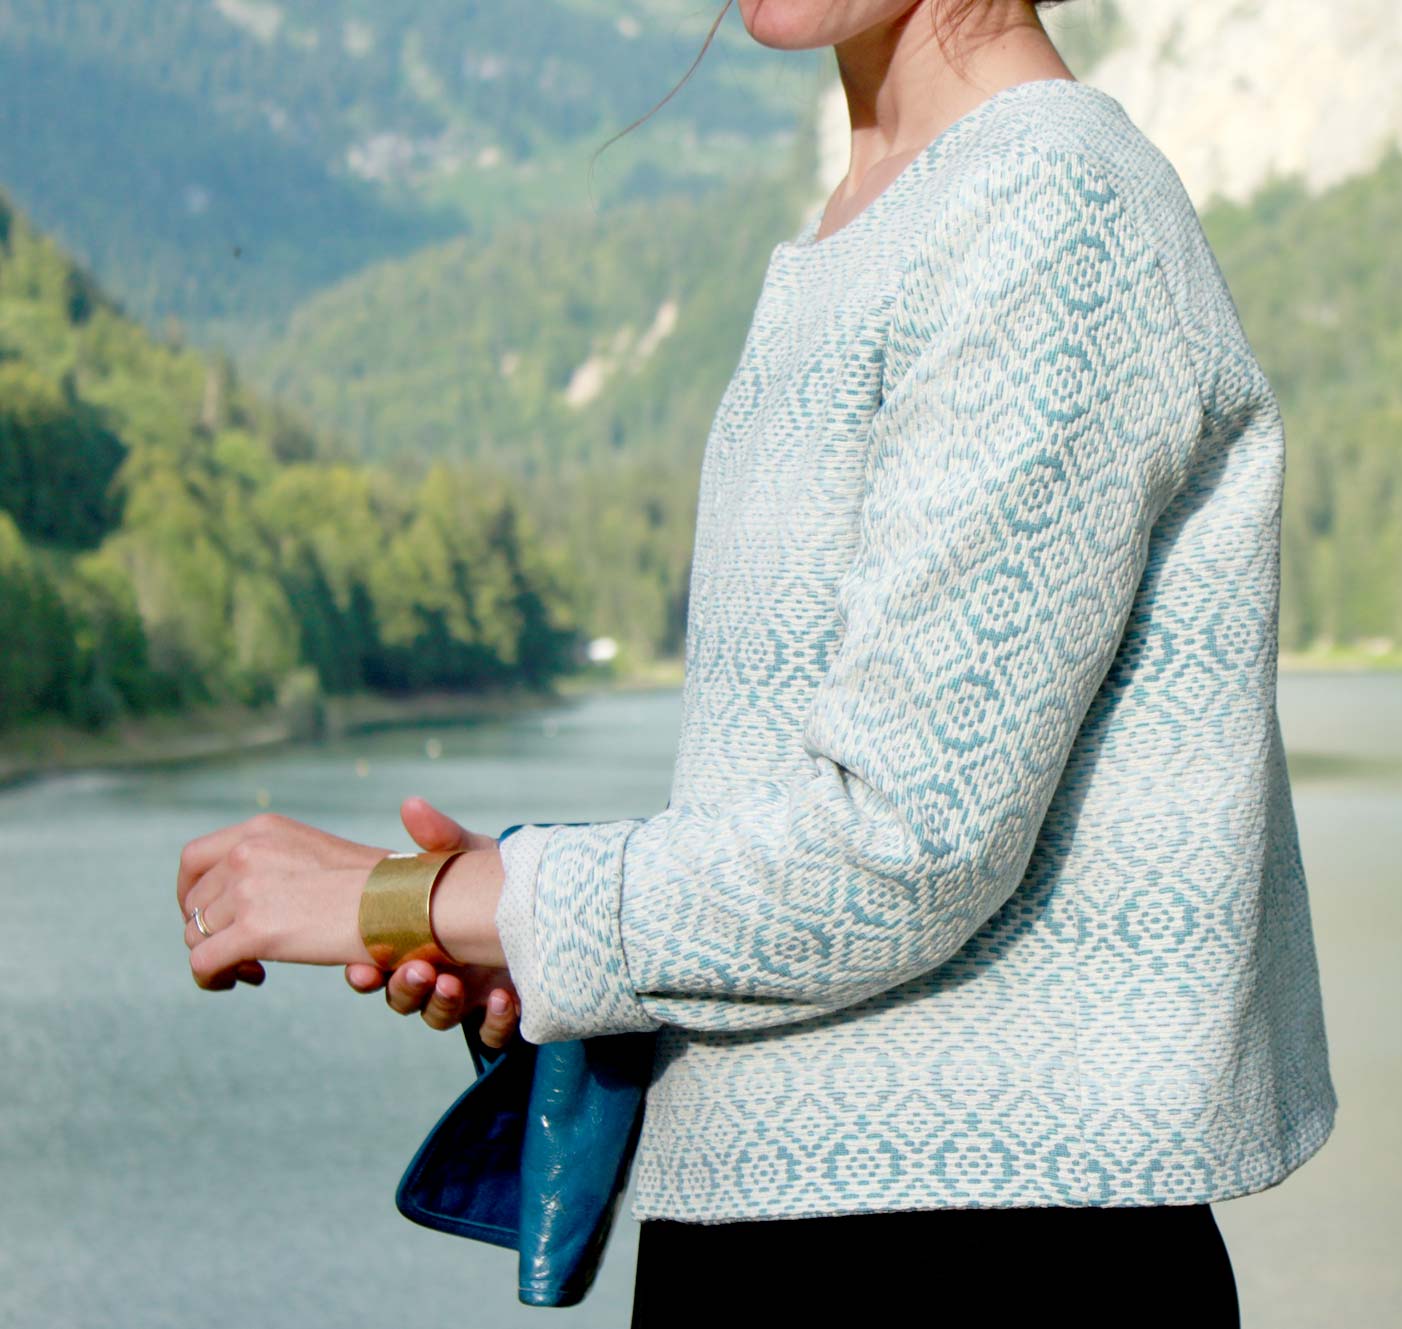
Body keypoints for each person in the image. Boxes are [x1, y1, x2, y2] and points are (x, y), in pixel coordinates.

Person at [175, 1, 1338, 1321]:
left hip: (983, 1258)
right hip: (798, 1241)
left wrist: (417, 898)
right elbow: (831, 808)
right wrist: (527, 926)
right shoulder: (883, 212)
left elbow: (904, 844)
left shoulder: (1051, 201)